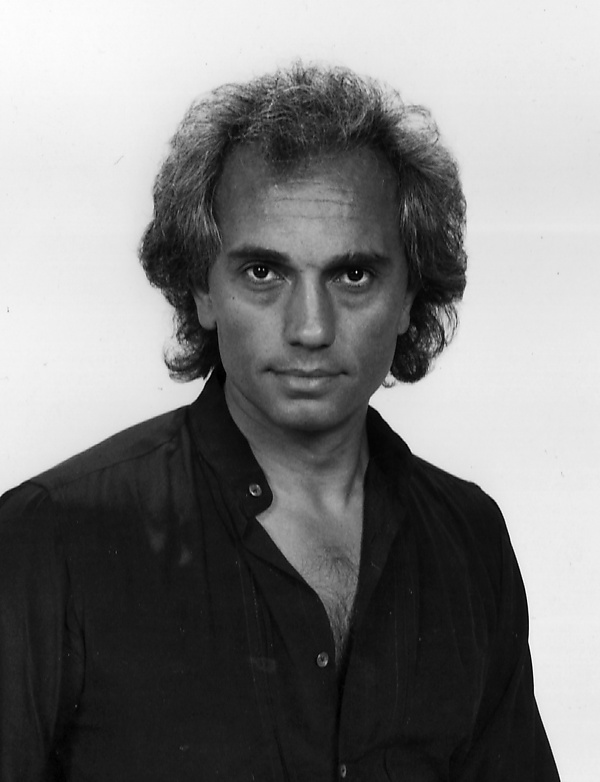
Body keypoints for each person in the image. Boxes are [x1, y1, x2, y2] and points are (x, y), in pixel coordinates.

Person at [0, 63, 560, 781]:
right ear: (202, 290)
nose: (310, 328)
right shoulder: (52, 538)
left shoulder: (468, 539)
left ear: (408, 296)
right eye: (264, 273)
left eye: (352, 275)